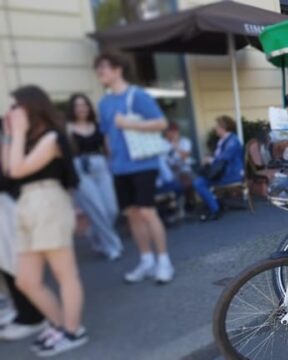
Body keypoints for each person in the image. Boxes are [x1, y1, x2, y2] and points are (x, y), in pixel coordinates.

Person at [4, 85, 87, 356]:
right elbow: (7, 171)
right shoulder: (26, 139)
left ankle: (73, 330)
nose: (12, 111)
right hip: (27, 205)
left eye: (16, 105)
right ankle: (60, 324)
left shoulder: (51, 137)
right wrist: (11, 136)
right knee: (26, 280)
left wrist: (16, 133)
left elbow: (17, 170)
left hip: (48, 201)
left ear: (31, 106)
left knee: (65, 274)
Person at [94, 51, 174, 284]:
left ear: (118, 69)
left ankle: (164, 261)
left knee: (148, 212)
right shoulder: (105, 102)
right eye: (98, 69)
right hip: (119, 167)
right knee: (132, 215)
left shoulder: (137, 96)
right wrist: (111, 161)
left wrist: (129, 123)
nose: (100, 72)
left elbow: (161, 123)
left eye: (103, 68)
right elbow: (107, 135)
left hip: (143, 163)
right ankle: (147, 260)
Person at [0, 120, 47, 342]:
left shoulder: (6, 128)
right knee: (8, 262)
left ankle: (32, 317)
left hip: (5, 202)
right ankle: (23, 312)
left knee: (13, 262)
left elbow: (8, 170)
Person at [66, 93, 123, 261]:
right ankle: (113, 246)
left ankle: (93, 232)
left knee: (111, 209)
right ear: (72, 109)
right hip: (80, 169)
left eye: (84, 104)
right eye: (77, 105)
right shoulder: (67, 128)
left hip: (100, 167)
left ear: (89, 107)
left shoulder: (98, 126)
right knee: (97, 209)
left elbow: (108, 150)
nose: (81, 108)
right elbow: (66, 154)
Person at [192, 115, 244, 222]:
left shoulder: (232, 141)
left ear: (223, 127)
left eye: (217, 126)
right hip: (225, 173)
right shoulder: (224, 140)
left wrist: (210, 160)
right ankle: (214, 204)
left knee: (199, 182)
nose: (215, 128)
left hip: (231, 174)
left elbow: (225, 157)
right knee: (199, 180)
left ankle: (215, 208)